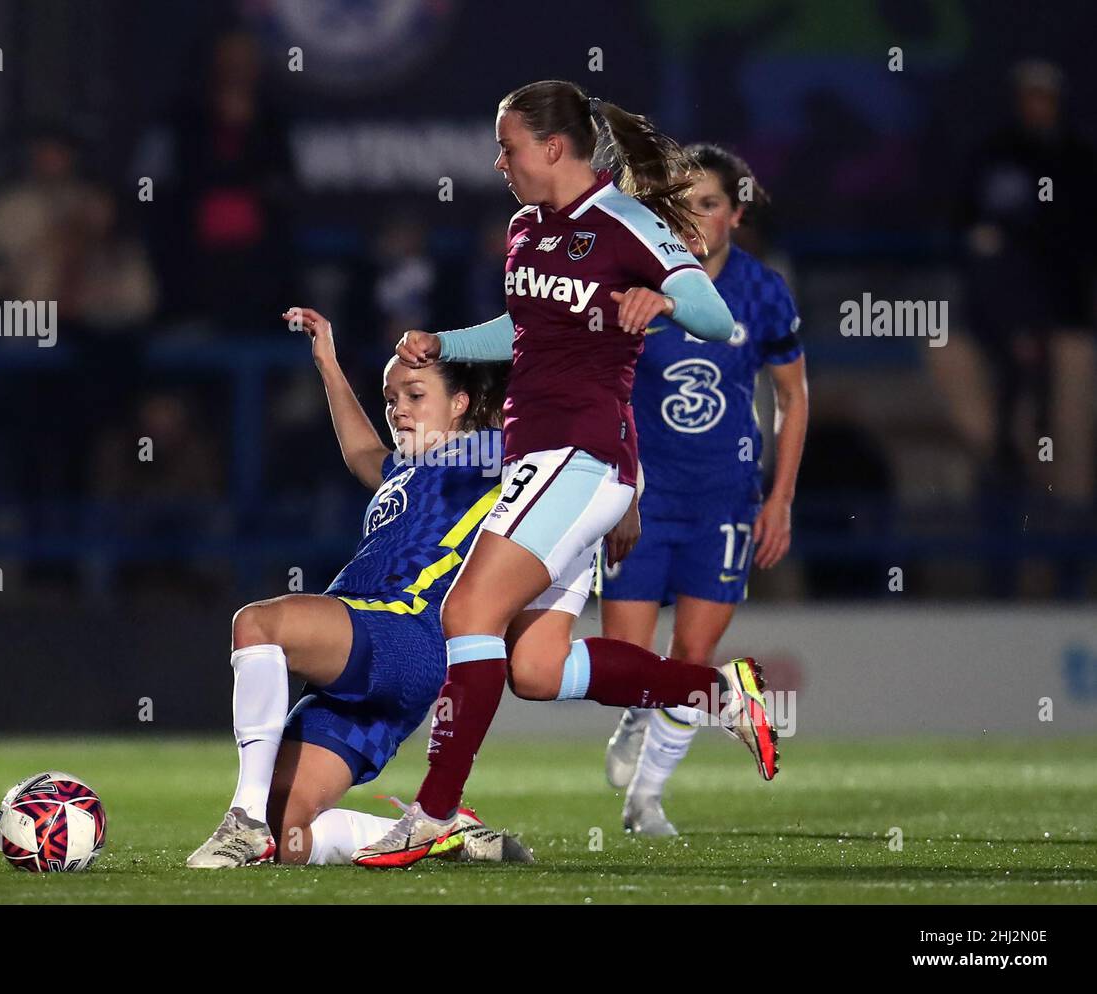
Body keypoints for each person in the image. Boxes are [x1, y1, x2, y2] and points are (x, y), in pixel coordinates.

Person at [353, 81, 778, 869]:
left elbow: (719, 319)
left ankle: (433, 812)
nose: (498, 160)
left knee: (467, 613)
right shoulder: (525, 228)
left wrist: (663, 299)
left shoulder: (626, 222)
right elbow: (522, 329)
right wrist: (444, 344)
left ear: (553, 148)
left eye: (508, 146)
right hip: (547, 460)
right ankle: (715, 692)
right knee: (537, 669)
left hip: (580, 456)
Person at [187, 306, 529, 867]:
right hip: (371, 658)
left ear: (462, 404)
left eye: (415, 396)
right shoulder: (404, 466)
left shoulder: (487, 455)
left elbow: (553, 421)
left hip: (402, 629)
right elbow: (362, 454)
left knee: (258, 623)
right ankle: (441, 835)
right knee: (291, 835)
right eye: (392, 399)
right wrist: (328, 362)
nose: (398, 410)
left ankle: (241, 821)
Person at [600, 144, 808, 836]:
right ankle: (636, 711)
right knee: (628, 665)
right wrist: (617, 489)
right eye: (683, 205)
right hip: (645, 499)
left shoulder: (763, 290)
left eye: (710, 204)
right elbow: (604, 392)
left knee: (693, 656)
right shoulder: (633, 285)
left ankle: (647, 802)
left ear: (736, 214)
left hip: (724, 498)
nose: (696, 218)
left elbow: (791, 393)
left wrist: (778, 498)